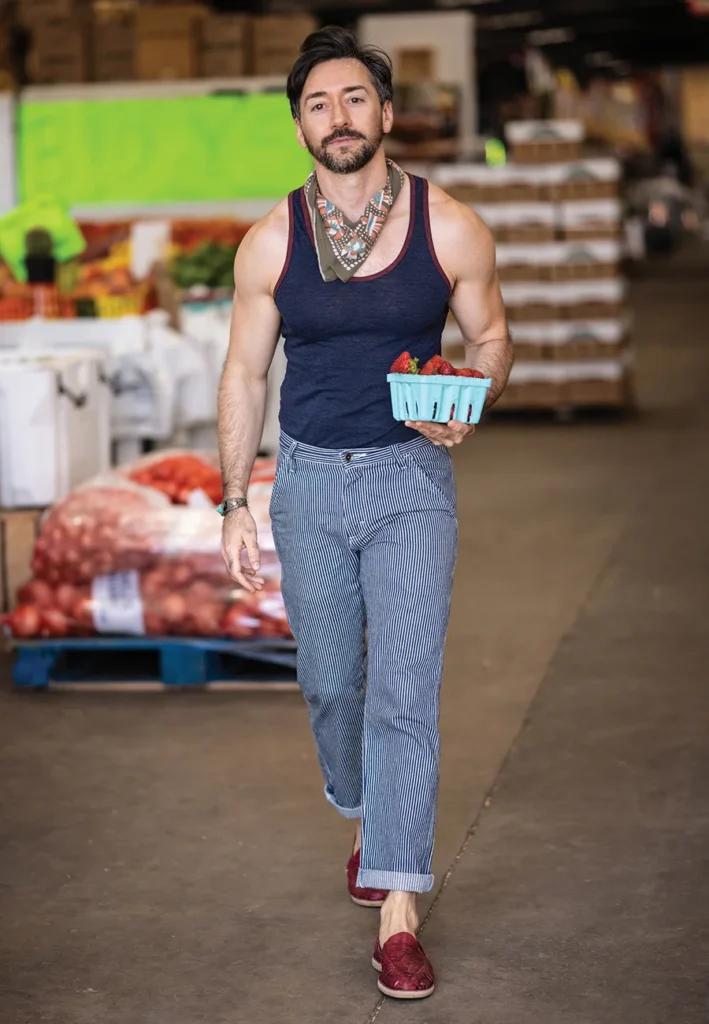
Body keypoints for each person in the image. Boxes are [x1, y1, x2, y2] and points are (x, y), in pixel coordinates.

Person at [217, 26, 512, 1000]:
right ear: (299, 125)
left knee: (401, 695)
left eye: (353, 99)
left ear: (385, 115)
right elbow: (245, 371)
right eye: (316, 103)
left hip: (407, 485)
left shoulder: (449, 225)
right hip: (304, 482)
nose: (337, 117)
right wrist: (234, 502)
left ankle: (396, 908)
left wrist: (472, 389)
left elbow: (491, 331)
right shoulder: (270, 239)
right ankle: (363, 810)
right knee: (334, 686)